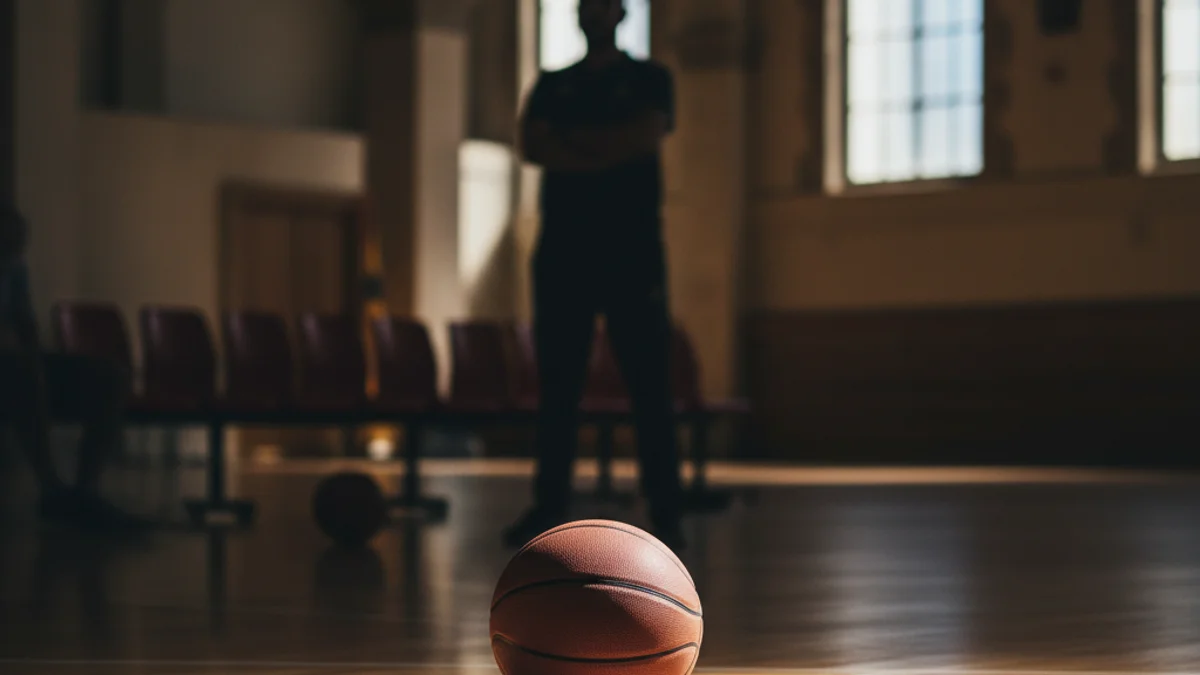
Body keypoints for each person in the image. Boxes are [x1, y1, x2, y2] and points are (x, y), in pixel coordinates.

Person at [503, 0, 686, 551]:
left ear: (621, 14)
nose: (593, 12)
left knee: (649, 383)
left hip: (631, 249)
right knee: (557, 383)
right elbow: (533, 145)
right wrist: (605, 147)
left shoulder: (650, 79)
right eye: (586, 5)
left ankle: (667, 505)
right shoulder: (552, 83)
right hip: (563, 250)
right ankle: (548, 503)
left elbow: (641, 135)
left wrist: (573, 147)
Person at [0, 201, 144, 531]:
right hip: (11, 367)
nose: (15, 249)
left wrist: (35, 352)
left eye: (19, 242)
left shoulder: (16, 270)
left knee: (109, 376)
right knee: (23, 369)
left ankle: (85, 490)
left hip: (17, 360)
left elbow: (25, 324)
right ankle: (50, 487)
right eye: (8, 241)